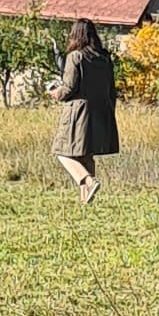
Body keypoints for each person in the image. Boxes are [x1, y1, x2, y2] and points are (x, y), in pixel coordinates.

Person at [48, 18, 118, 197]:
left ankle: (88, 181)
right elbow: (111, 89)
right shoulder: (104, 58)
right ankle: (85, 199)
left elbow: (69, 87)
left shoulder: (75, 56)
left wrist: (56, 93)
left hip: (78, 113)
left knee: (62, 152)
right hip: (101, 111)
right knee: (86, 155)